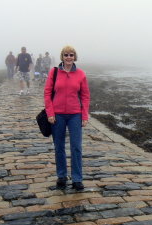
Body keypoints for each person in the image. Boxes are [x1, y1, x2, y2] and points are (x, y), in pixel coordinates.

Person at [44, 46, 90, 191]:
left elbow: (85, 96)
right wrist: (50, 113)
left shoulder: (81, 74)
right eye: (66, 55)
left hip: (75, 114)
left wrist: (84, 115)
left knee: (76, 147)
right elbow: (47, 93)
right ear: (62, 57)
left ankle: (77, 179)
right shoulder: (54, 72)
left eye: (71, 55)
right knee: (59, 147)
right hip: (57, 115)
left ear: (74, 56)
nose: (68, 57)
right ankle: (62, 176)